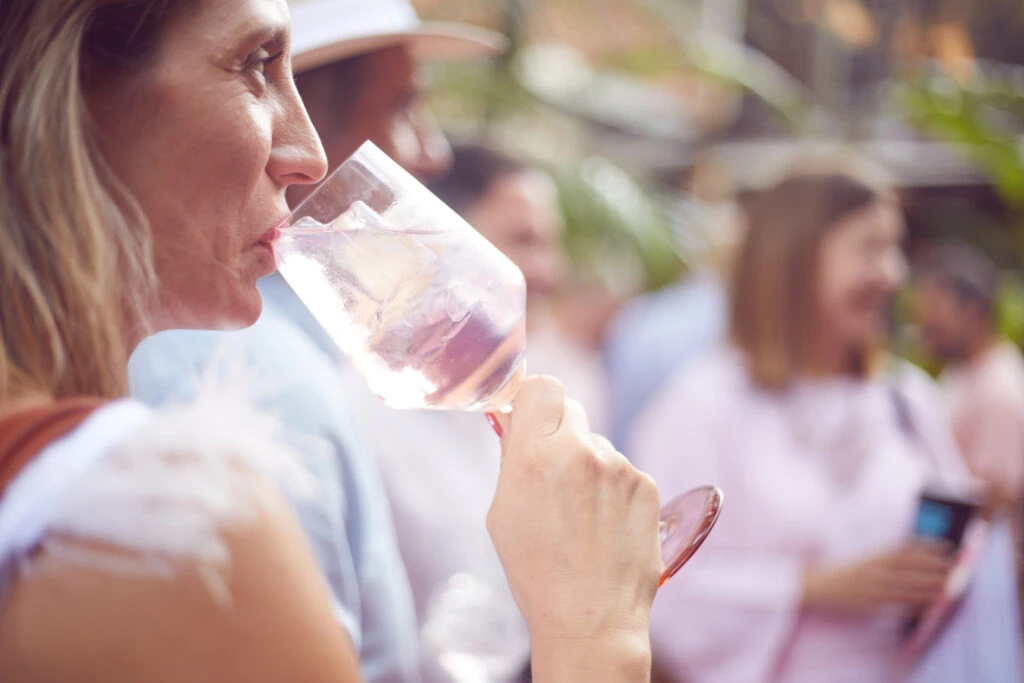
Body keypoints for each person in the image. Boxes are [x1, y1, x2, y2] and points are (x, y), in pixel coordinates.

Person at [0, 2, 663, 682]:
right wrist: (594, 627)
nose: (310, 155)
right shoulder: (168, 513)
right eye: (256, 65)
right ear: (71, 94)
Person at [127, 1, 503, 680]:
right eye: (403, 104)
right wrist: (589, 629)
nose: (432, 152)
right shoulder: (248, 369)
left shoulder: (271, 344)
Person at [632, 167, 973, 681]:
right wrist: (809, 587)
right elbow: (654, 588)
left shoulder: (908, 400)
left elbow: (965, 554)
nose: (893, 274)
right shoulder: (702, 405)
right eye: (870, 249)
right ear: (793, 260)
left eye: (895, 248)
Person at [340, 142, 609, 681]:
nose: (551, 270)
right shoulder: (355, 405)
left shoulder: (569, 372)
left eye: (551, 244)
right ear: (437, 244)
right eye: (524, 240)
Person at [914, 242, 1024, 517]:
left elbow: (990, 503)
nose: (925, 322)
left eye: (936, 308)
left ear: (974, 313)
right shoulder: (964, 370)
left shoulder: (998, 392)